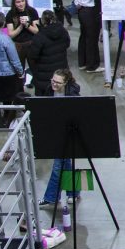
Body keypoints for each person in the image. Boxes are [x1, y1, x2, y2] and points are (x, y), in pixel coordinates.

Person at [38, 68, 82, 208]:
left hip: (70, 133)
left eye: (58, 82)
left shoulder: (73, 94)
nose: (54, 84)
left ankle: (51, 197)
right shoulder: (48, 90)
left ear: (66, 83)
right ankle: (74, 192)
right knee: (66, 164)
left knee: (58, 165)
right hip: (55, 132)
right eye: (53, 80)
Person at [26, 10, 69, 95]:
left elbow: (32, 56)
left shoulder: (40, 36)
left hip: (42, 76)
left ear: (43, 21)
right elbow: (67, 44)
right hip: (60, 73)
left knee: (43, 103)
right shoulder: (63, 31)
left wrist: (35, 71)